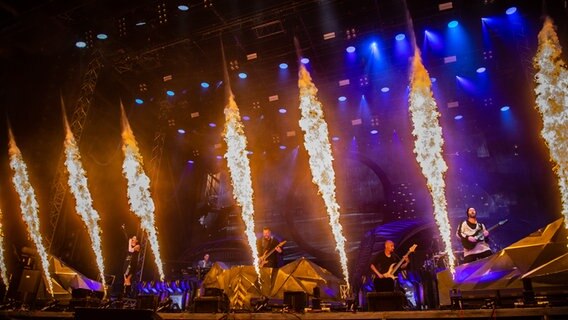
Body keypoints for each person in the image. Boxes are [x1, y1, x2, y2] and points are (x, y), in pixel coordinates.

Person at [122, 225, 140, 297]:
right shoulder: (130, 244)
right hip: (126, 263)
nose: (132, 239)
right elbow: (126, 237)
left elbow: (131, 250)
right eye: (132, 238)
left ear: (136, 241)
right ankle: (125, 293)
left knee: (128, 280)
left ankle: (128, 294)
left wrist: (129, 242)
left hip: (132, 264)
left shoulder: (138, 246)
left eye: (134, 238)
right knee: (125, 280)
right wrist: (124, 229)